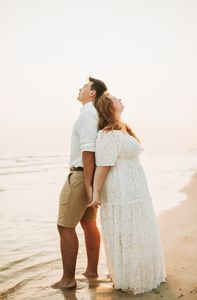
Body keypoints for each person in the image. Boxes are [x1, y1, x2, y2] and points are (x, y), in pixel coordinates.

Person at [89, 92, 166, 294]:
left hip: (135, 185)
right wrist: (96, 193)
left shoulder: (123, 127)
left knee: (138, 228)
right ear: (108, 105)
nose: (120, 99)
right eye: (115, 98)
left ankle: (142, 271)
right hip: (120, 187)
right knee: (127, 228)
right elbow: (103, 166)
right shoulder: (107, 133)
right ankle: (129, 275)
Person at [52, 77, 107, 289]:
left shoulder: (87, 113)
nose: (80, 88)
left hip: (80, 175)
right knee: (88, 223)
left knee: (64, 226)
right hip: (89, 175)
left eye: (84, 86)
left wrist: (86, 185)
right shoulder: (94, 113)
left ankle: (68, 279)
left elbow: (88, 150)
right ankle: (91, 271)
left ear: (92, 92)